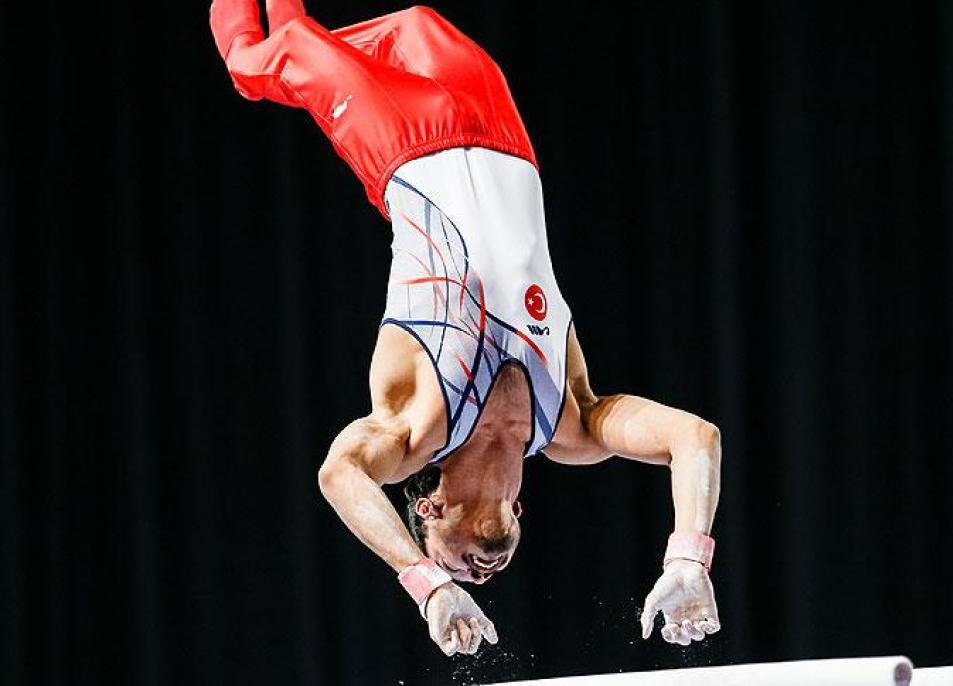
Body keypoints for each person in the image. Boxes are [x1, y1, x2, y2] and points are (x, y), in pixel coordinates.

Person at [209, 0, 723, 657]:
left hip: (399, 144)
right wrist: (688, 559)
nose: (475, 577)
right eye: (472, 577)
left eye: (453, 565)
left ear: (430, 511)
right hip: (502, 132)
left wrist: (427, 586)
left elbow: (339, 475)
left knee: (263, 61)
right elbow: (694, 437)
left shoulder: (416, 427)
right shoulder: (571, 425)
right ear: (519, 516)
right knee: (418, 19)